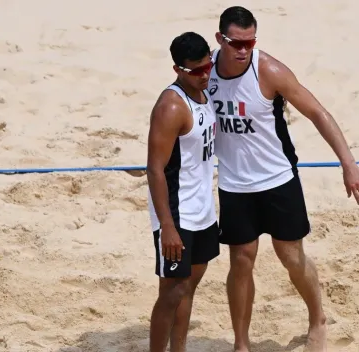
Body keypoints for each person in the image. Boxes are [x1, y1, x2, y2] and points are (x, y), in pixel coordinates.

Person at [208, 6, 359, 352]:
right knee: (240, 261)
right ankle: (240, 343)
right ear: (220, 38)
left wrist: (348, 164)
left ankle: (317, 318)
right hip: (234, 183)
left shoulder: (268, 70)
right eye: (236, 43)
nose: (243, 50)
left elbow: (317, 112)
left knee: (291, 256)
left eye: (249, 42)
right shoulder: (205, 70)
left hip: (277, 178)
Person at [138, 31, 219, 352]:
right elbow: (154, 169)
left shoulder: (204, 91)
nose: (204, 75)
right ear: (178, 70)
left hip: (202, 208)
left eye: (207, 67)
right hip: (176, 213)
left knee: (188, 288)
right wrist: (167, 227)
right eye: (196, 71)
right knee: (173, 291)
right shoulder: (171, 107)